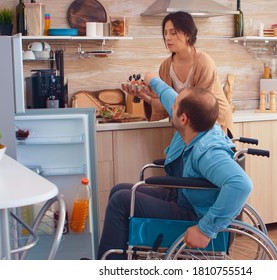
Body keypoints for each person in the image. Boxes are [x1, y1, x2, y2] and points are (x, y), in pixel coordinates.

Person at [97, 72, 252, 260]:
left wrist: (205, 230)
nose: (171, 107)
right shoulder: (199, 125)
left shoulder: (208, 152)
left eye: (175, 107)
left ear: (184, 118)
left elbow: (241, 184)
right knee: (119, 190)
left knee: (122, 200)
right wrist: (151, 79)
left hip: (195, 214)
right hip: (185, 196)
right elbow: (169, 95)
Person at [123, 11, 234, 136]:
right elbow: (170, 104)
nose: (167, 37)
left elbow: (200, 107)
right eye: (165, 33)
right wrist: (143, 95)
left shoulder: (204, 63)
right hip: (188, 126)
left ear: (187, 34)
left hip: (215, 124)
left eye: (173, 32)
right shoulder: (166, 66)